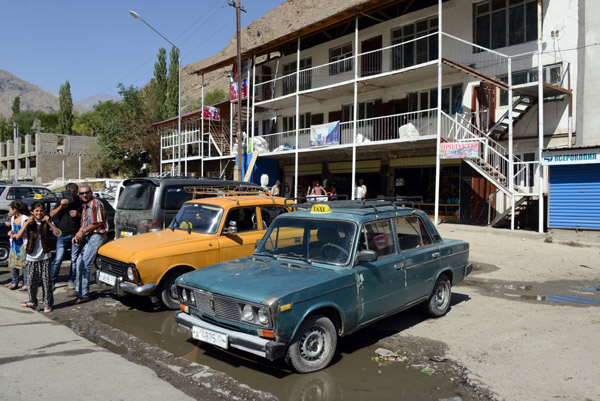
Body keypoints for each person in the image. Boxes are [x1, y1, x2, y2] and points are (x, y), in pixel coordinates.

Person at [17, 201, 61, 313]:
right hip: (31, 258)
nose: (39, 213)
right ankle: (32, 301)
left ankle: (48, 304)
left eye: (41, 211)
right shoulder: (29, 223)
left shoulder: (47, 222)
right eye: (36, 211)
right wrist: (26, 224)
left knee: (46, 282)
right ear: (32, 212)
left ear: (44, 212)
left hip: (45, 257)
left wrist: (50, 223)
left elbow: (58, 233)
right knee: (31, 282)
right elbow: (18, 236)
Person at [69, 185, 108, 305]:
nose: (84, 195)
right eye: (82, 193)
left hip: (97, 236)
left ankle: (84, 294)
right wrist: (77, 235)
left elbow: (97, 223)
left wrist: (82, 232)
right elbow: (84, 224)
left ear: (91, 193)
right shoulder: (85, 206)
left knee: (85, 263)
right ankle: (78, 289)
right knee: (79, 261)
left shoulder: (96, 204)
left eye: (86, 192)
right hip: (89, 236)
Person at [50, 183, 82, 290]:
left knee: (74, 259)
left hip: (75, 234)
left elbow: (86, 218)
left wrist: (78, 215)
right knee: (58, 259)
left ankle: (71, 280)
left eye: (73, 192)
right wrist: (61, 206)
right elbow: (52, 214)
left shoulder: (80, 202)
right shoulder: (62, 201)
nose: (71, 195)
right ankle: (52, 281)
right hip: (62, 234)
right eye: (69, 192)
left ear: (76, 191)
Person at [5, 201, 30, 290]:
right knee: (14, 264)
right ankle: (14, 281)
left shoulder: (25, 219)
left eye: (10, 209)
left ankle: (26, 283)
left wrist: (17, 235)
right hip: (15, 244)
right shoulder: (13, 219)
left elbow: (28, 233)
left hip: (22, 244)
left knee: (23, 265)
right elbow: (13, 229)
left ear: (15, 210)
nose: (9, 212)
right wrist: (10, 232)